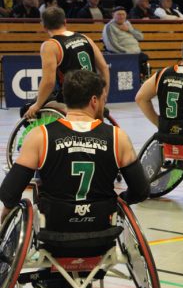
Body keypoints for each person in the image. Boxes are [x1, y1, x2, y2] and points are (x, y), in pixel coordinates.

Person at [1, 70, 149, 224]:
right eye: (103, 100)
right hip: (102, 231)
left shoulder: (40, 136)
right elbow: (141, 191)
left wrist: (8, 208)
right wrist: (120, 200)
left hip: (53, 232)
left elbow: (9, 193)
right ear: (94, 101)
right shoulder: (119, 137)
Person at [23, 7, 109, 119]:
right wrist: (103, 95)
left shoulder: (50, 45)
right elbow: (104, 68)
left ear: (44, 26)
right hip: (93, 98)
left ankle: (51, 135)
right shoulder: (85, 38)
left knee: (26, 110)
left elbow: (49, 82)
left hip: (71, 100)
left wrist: (37, 105)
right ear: (65, 21)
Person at [102, 6, 149, 79]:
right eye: (119, 14)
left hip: (135, 53)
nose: (121, 16)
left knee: (144, 57)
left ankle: (139, 80)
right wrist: (127, 53)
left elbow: (141, 37)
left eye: (123, 14)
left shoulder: (127, 24)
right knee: (141, 58)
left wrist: (129, 30)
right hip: (123, 55)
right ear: (113, 15)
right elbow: (112, 45)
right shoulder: (109, 26)